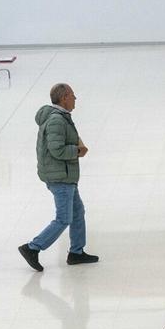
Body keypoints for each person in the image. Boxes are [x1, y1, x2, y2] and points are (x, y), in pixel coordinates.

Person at [18, 83, 99, 271]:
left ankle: (76, 252)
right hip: (60, 177)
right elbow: (56, 149)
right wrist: (77, 151)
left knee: (77, 212)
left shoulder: (62, 117)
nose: (75, 99)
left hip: (66, 175)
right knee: (64, 218)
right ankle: (32, 247)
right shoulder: (56, 120)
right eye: (72, 95)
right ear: (64, 98)